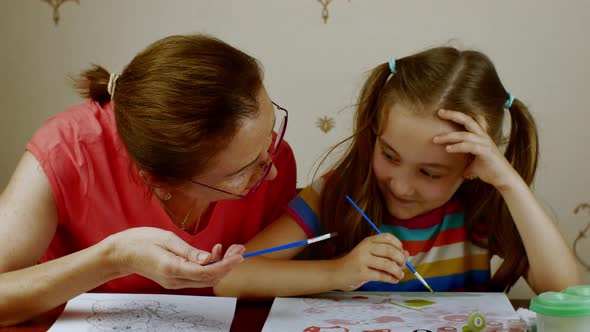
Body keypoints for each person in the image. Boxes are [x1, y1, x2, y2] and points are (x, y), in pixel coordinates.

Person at [215, 46, 580, 298]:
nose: (401, 185)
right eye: (389, 155)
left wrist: (507, 182)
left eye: (431, 173)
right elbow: (230, 277)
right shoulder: (338, 192)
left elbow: (566, 295)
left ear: (471, 167)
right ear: (374, 135)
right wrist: (338, 272)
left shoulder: (481, 206)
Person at [0, 34, 296, 326]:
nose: (271, 170)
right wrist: (113, 259)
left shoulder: (272, 159)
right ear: (160, 183)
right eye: (241, 171)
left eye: (271, 132)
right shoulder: (67, 151)